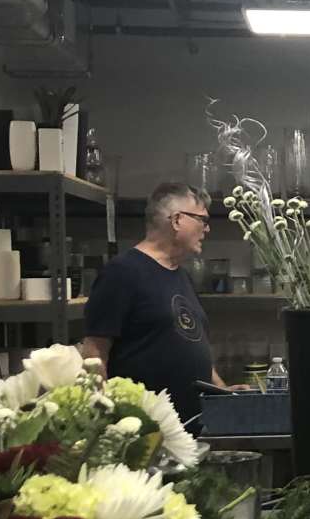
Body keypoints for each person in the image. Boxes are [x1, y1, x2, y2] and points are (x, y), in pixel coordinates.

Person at [82, 182, 236, 427]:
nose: (207, 229)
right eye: (202, 220)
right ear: (176, 220)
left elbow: (193, 342)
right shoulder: (122, 272)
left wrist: (223, 392)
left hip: (189, 426)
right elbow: (94, 352)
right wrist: (105, 416)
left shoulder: (181, 275)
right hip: (144, 428)